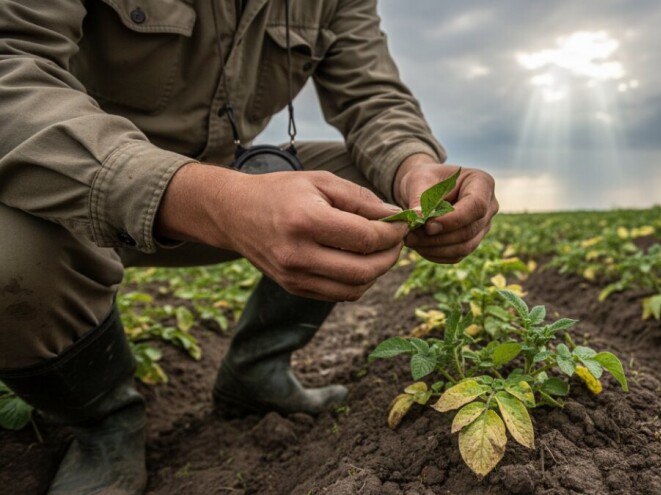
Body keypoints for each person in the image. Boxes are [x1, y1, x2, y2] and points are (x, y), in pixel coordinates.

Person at [0, 1, 499, 493]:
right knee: (8, 256)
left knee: (378, 191)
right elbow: (12, 71)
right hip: (75, 186)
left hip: (229, 174)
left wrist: (413, 167)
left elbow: (374, 96)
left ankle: (254, 374)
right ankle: (101, 420)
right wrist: (202, 198)